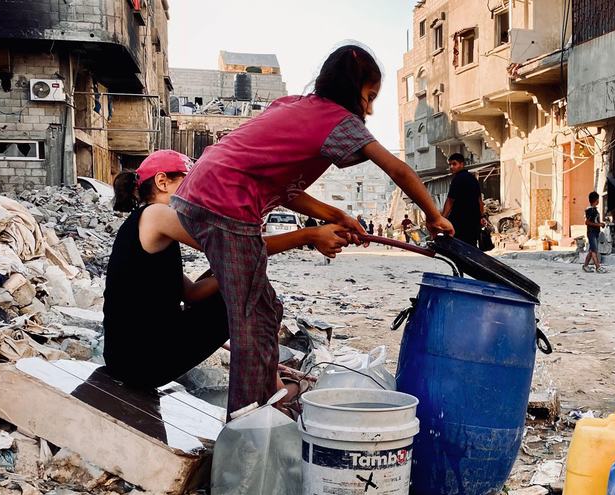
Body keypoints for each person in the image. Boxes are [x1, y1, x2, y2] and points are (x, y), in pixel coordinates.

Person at [168, 44, 453, 413]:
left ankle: (268, 392)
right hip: (226, 202)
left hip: (202, 192)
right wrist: (432, 214)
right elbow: (397, 169)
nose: (369, 109)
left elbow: (284, 190)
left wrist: (334, 213)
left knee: (265, 307)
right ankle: (249, 418)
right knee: (251, 316)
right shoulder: (340, 121)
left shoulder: (290, 106)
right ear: (353, 90)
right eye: (368, 97)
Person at [103, 150, 351, 392]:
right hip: (141, 361)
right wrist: (308, 235)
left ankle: (271, 382)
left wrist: (231, 271)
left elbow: (192, 293)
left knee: (242, 283)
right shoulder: (156, 214)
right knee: (248, 297)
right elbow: (239, 248)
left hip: (124, 359)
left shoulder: (145, 226)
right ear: (162, 181)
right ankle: (270, 391)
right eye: (191, 183)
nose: (198, 194)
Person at [441, 153, 484, 247]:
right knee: (471, 246)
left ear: (461, 164)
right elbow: (480, 201)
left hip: (460, 221)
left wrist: (442, 218)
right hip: (474, 221)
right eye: (450, 164)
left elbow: (450, 201)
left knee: (459, 247)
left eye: (454, 164)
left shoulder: (457, 179)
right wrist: (481, 217)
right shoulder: (473, 179)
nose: (451, 167)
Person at [584, 191, 606, 273]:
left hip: (596, 232)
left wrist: (600, 224)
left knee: (591, 250)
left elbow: (596, 221)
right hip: (591, 232)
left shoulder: (595, 210)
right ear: (596, 200)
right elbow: (587, 222)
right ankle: (598, 267)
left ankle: (585, 266)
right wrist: (599, 225)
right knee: (594, 250)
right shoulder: (590, 210)